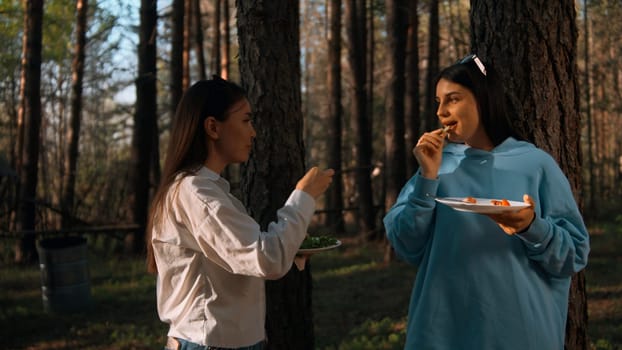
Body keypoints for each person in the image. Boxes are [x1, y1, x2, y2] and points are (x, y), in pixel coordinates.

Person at [383, 54, 590, 349]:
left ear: (483, 99)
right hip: (442, 333)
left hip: (521, 333)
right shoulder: (436, 165)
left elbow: (574, 256)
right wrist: (428, 177)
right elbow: (406, 244)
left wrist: (532, 227)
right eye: (438, 101)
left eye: (452, 99)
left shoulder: (534, 164)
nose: (441, 111)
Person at [146, 76, 334, 350]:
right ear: (213, 127)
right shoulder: (196, 193)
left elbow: (239, 255)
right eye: (246, 120)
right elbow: (266, 258)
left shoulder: (207, 189)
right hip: (208, 342)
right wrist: (304, 196)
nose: (253, 132)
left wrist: (291, 245)